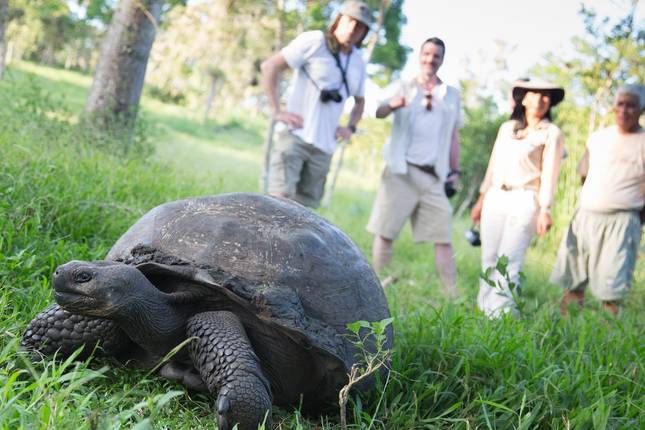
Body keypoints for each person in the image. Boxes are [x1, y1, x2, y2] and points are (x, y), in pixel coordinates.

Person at [366, 37, 462, 297]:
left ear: (442, 59)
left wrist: (455, 172)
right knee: (386, 231)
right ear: (420, 56)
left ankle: (452, 296)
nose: (431, 59)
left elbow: (454, 136)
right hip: (402, 171)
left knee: (443, 237)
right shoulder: (403, 86)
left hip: (434, 177)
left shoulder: (451, 95)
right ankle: (377, 290)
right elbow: (378, 111)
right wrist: (392, 105)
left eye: (437, 55)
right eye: (427, 54)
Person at [260, 1, 370, 208]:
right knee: (277, 204)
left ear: (365, 33)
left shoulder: (358, 62)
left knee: (305, 213)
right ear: (339, 20)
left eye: (361, 26)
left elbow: (360, 101)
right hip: (296, 135)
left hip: (324, 147)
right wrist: (276, 110)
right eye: (350, 21)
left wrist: (350, 127)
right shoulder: (314, 41)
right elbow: (269, 66)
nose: (354, 28)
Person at [470, 79, 565, 317]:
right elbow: (493, 166)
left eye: (546, 96)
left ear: (550, 102)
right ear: (523, 98)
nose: (539, 100)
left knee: (509, 259)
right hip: (496, 196)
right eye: (534, 94)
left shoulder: (551, 133)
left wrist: (545, 208)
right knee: (489, 257)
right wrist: (481, 199)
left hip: (525, 199)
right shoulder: (508, 128)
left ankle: (502, 317)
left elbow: (550, 174)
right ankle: (484, 310)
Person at [552, 83, 645, 316]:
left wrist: (635, 220)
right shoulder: (598, 138)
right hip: (585, 217)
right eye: (620, 104)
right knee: (572, 281)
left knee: (612, 291)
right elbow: (584, 172)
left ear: (641, 109)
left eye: (631, 105)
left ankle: (605, 345)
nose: (624, 110)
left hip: (622, 222)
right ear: (614, 107)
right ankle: (568, 335)